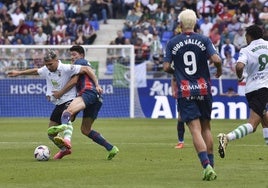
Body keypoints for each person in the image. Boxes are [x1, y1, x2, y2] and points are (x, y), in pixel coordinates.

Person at [163, 9, 222, 181]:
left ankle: (206, 166)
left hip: (186, 89)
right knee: (206, 128)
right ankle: (212, 165)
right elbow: (217, 59)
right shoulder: (204, 39)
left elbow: (166, 67)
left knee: (195, 130)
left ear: (180, 24)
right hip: (204, 88)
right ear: (195, 23)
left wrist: (177, 71)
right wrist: (218, 70)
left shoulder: (173, 42)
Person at [7, 49, 98, 159]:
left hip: (70, 99)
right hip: (59, 103)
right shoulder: (46, 69)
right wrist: (19, 73)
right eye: (46, 65)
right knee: (50, 133)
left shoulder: (66, 67)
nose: (48, 67)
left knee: (67, 115)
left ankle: (67, 140)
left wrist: (97, 85)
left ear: (56, 60)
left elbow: (87, 69)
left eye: (50, 64)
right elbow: (36, 71)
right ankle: (65, 150)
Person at [48, 45, 119, 160]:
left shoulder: (80, 62)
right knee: (85, 130)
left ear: (81, 55)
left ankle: (64, 133)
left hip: (88, 92)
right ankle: (111, 148)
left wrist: (60, 93)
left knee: (67, 112)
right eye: (70, 55)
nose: (72, 57)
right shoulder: (85, 64)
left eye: (74, 54)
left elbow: (74, 80)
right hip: (97, 98)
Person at [217, 25, 268, 159]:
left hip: (252, 88)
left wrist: (240, 77)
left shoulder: (246, 49)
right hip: (263, 88)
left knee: (265, 120)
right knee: (252, 125)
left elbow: (239, 66)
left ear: (249, 36)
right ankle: (227, 137)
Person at [171, 76, 185, 149]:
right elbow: (174, 78)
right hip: (182, 94)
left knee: (199, 119)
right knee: (180, 118)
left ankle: (202, 140)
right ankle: (181, 142)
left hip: (194, 93)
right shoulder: (178, 67)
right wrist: (173, 90)